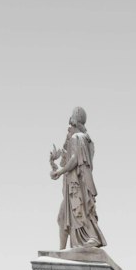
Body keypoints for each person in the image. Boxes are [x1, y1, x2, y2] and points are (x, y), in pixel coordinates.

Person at [49, 107, 105, 250]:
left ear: (73, 122)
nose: (68, 131)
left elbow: (74, 160)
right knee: (63, 217)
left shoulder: (77, 137)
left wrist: (60, 171)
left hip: (77, 184)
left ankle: (93, 237)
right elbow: (68, 163)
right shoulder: (87, 140)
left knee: (79, 211)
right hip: (76, 183)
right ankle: (62, 252)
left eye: (69, 127)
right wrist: (54, 164)